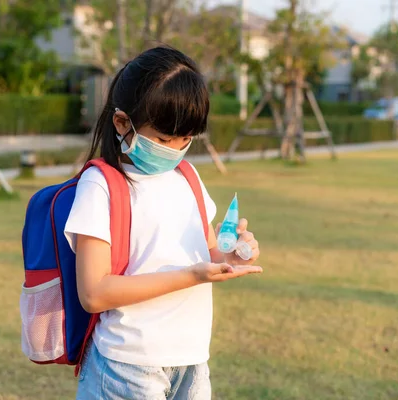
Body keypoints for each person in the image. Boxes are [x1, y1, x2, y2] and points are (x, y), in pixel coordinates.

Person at [64, 46, 262, 400]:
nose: (175, 150)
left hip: (192, 361)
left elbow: (208, 253)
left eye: (186, 139)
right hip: (128, 367)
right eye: (163, 139)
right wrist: (192, 276)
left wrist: (230, 258)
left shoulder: (187, 175)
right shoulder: (101, 187)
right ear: (122, 123)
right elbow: (93, 294)